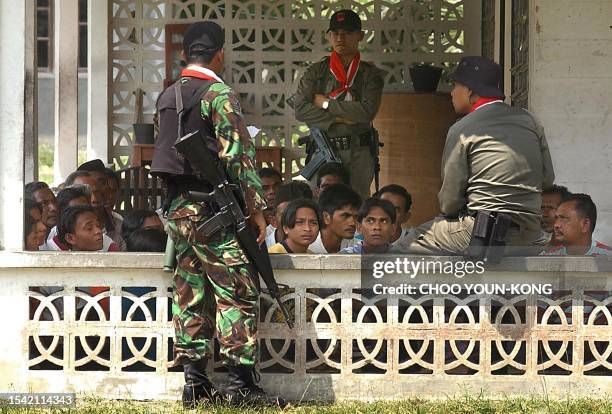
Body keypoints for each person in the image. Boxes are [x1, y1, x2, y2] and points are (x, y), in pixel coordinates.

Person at [151, 21, 280, 407]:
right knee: (236, 293)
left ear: (186, 54)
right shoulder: (219, 94)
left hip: (179, 212)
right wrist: (257, 208)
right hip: (213, 211)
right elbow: (238, 156)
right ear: (220, 54)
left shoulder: (167, 96)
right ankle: (241, 386)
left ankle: (195, 384)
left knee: (191, 293)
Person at [396, 56, 555, 255]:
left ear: (471, 91)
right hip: (529, 236)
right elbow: (548, 179)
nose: (452, 93)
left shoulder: (462, 128)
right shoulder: (530, 120)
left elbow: (450, 201)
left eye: (455, 86)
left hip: (481, 234)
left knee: (407, 242)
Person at [293, 9, 385, 200]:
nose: (340, 38)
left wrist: (325, 103)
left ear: (360, 35)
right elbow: (300, 109)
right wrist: (337, 119)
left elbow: (367, 112)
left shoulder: (370, 74)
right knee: (322, 207)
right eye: (335, 33)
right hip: (323, 150)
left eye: (348, 33)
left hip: (358, 153)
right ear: (329, 36)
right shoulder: (316, 72)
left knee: (357, 208)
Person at [41, 185, 120, 252]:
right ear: (70, 238)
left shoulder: (109, 247)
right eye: (89, 228)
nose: (98, 231)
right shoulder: (50, 250)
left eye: (98, 226)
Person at [541, 194, 612, 256]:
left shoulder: (608, 257)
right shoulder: (548, 258)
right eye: (556, 218)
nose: (556, 225)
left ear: (585, 225)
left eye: (564, 218)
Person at [78, 160, 126, 250]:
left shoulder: (119, 225)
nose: (96, 188)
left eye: (102, 183)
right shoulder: (63, 227)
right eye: (89, 186)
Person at [309, 184, 361, 253]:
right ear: (326, 217)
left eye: (356, 217)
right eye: (345, 216)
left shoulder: (358, 248)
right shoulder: (307, 246)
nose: (353, 223)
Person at [265, 181, 313, 248]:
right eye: (287, 215)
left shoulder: (317, 249)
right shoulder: (260, 250)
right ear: (274, 221)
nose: (293, 221)